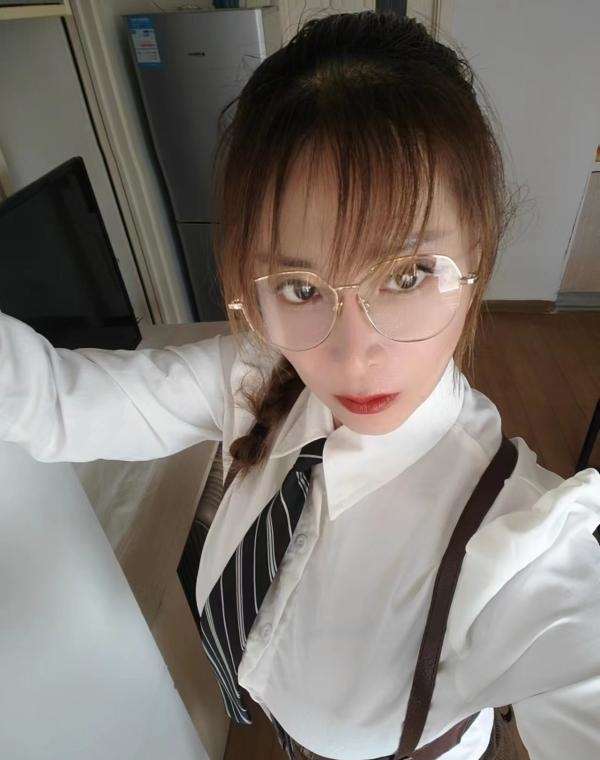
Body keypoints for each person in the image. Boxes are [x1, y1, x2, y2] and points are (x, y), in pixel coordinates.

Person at [1, 11, 599, 760]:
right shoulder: (257, 376)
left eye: (406, 274)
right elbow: (52, 402)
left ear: (478, 255)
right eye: (300, 286)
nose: (353, 356)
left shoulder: (519, 540)